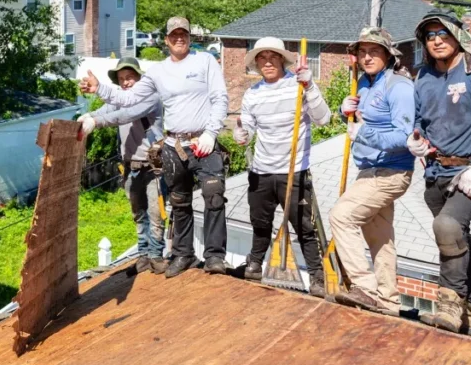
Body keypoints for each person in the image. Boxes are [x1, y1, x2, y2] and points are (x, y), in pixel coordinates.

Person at [80, 17, 228, 278]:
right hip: (174, 145)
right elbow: (128, 98)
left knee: (213, 197)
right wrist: (99, 88)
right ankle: (183, 255)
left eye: (183, 33)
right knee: (179, 203)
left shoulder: (205, 61)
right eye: (174, 34)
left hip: (202, 142)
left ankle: (215, 257)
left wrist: (211, 132)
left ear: (190, 37)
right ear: (167, 40)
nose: (179, 38)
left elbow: (219, 96)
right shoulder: (158, 72)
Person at [408, 10, 471, 333]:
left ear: (457, 35)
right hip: (436, 172)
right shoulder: (423, 76)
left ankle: (448, 307)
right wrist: (417, 140)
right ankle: (469, 314)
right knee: (454, 239)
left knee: (448, 226)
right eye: (430, 36)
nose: (436, 40)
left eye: (442, 33)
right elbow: (420, 120)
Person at [234, 37, 330, 298]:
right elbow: (247, 131)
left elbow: (323, 119)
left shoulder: (299, 86)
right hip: (262, 170)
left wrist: (309, 85)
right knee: (259, 223)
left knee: (304, 228)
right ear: (256, 64)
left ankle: (318, 276)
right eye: (262, 59)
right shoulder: (252, 94)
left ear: (282, 60)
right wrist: (241, 133)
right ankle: (254, 264)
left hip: (294, 170)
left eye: (272, 57)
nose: (267, 62)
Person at [329, 27, 415, 315]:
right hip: (368, 170)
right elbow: (361, 122)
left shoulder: (399, 87)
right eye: (362, 52)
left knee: (341, 217)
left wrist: (364, 134)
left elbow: (405, 138)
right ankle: (389, 300)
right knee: (380, 239)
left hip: (390, 172)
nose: (367, 57)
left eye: (374, 51)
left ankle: (365, 288)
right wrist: (346, 112)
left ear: (388, 55)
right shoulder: (364, 84)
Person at [78, 57, 166, 274]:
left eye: (130, 78)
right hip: (130, 166)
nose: (126, 83)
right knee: (138, 213)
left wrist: (96, 122)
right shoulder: (120, 100)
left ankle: (156, 256)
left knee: (156, 214)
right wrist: (89, 115)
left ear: (140, 78)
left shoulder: (151, 97)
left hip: (153, 166)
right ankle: (143, 256)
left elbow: (126, 115)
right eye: (122, 79)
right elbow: (107, 110)